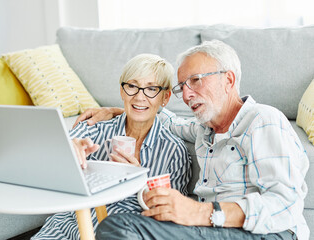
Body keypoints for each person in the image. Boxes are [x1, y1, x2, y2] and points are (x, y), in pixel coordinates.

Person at [77, 40, 309, 240]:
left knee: (120, 227)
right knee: (122, 222)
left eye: (196, 80)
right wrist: (123, 110)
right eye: (182, 87)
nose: (186, 95)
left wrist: (200, 212)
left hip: (266, 233)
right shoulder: (203, 128)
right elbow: (166, 119)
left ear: (228, 80)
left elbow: (285, 205)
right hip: (209, 228)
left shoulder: (263, 120)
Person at [31, 54, 191, 240]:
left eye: (151, 89)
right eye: (132, 86)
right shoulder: (94, 128)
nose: (140, 97)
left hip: (120, 231)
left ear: (165, 97)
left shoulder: (173, 151)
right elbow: (43, 155)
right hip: (70, 224)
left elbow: (172, 219)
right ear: (122, 91)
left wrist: (140, 182)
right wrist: (66, 148)